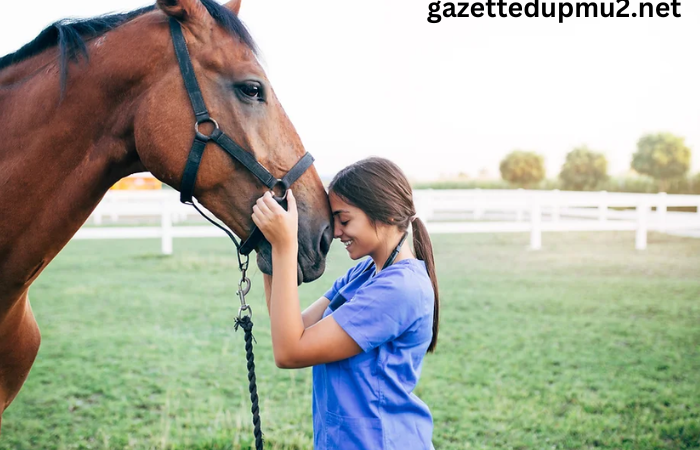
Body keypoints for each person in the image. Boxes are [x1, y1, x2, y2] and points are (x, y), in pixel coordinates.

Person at [252, 157, 439, 449]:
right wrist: (268, 249)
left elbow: (289, 352)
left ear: (385, 214)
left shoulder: (400, 289)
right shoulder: (365, 273)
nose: (337, 231)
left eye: (345, 219)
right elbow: (291, 328)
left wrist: (284, 246)